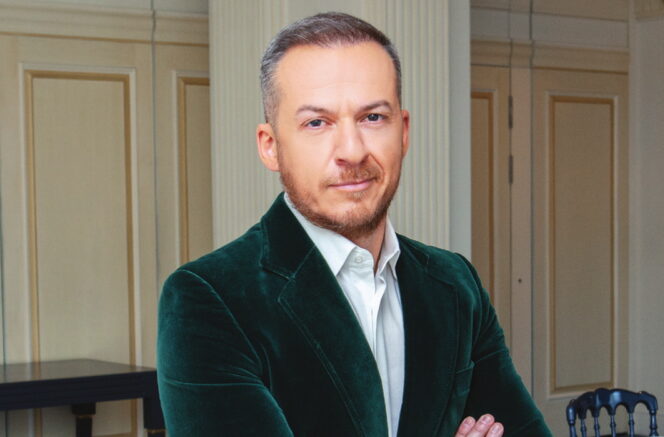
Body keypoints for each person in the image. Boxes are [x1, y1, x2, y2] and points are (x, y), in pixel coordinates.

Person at [157, 11, 552, 437]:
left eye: (372, 118)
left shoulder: (455, 284)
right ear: (270, 146)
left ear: (403, 131)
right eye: (317, 122)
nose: (352, 150)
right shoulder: (207, 300)